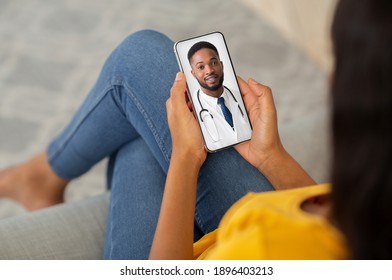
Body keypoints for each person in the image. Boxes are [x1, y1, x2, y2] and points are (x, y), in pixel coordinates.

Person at [0, 0, 390, 260]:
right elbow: (343, 225)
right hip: (298, 233)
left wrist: (186, 161)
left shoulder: (264, 245)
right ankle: (42, 177)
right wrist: (270, 157)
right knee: (154, 117)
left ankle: (40, 175)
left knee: (140, 68)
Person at [187, 41, 252, 151]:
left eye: (213, 63)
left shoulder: (243, 97)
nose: (210, 70)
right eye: (201, 67)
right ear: (193, 74)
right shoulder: (190, 110)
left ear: (221, 65)